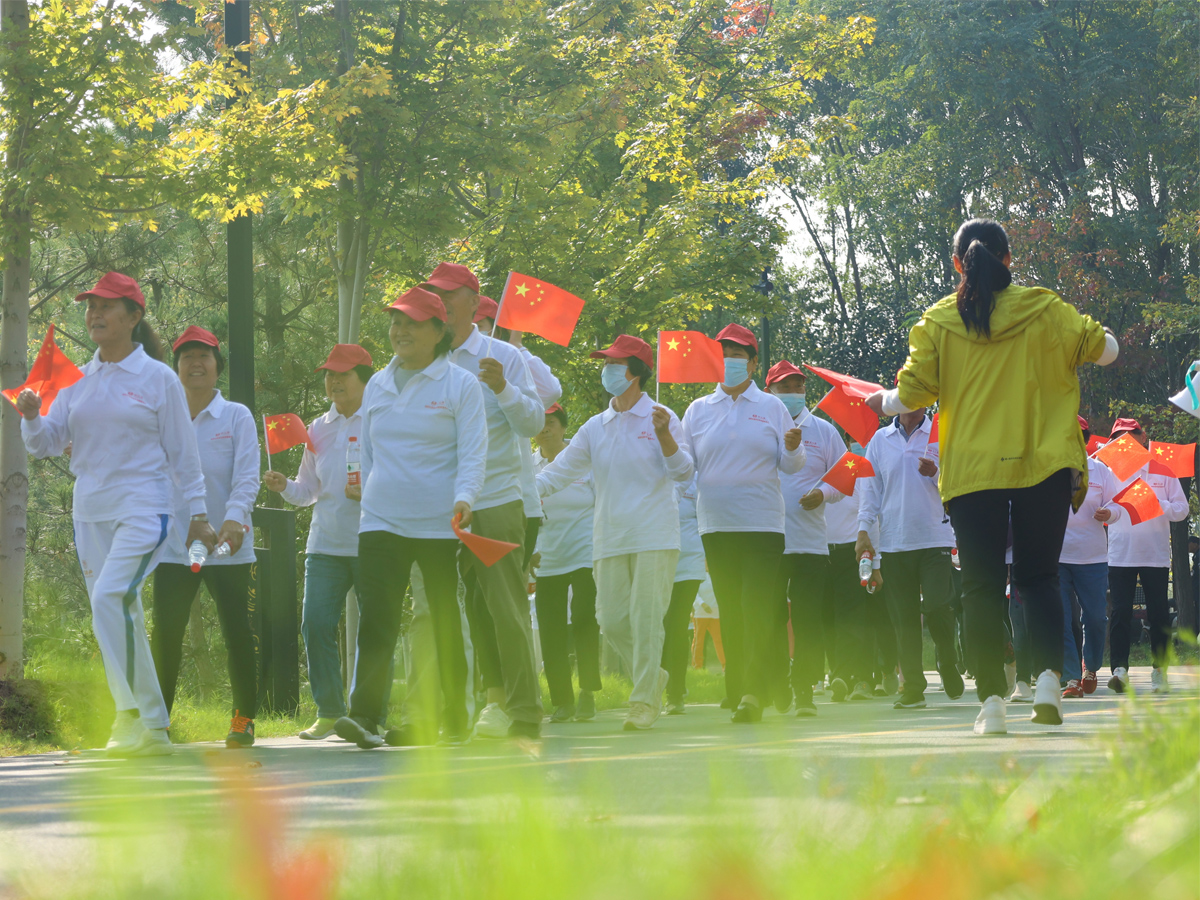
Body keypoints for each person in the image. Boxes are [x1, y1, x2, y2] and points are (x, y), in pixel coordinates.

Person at [867, 218, 1119, 735]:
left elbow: (911, 394)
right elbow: (1107, 351)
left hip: (973, 472)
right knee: (1040, 578)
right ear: (1010, 260)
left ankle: (992, 706)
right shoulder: (1047, 309)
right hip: (1043, 465)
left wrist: (881, 401)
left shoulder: (939, 321)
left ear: (959, 264)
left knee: (981, 587)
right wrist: (1098, 335)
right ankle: (1049, 685)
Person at [18, 272, 216, 758]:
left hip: (145, 509)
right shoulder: (76, 381)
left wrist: (199, 514)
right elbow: (47, 445)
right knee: (116, 611)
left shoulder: (158, 379)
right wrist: (30, 416)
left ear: (134, 316)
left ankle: (126, 716)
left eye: (107, 307)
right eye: (91, 307)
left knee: (110, 598)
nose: (95, 314)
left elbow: (183, 452)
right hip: (90, 512)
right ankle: (155, 727)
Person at [333, 287, 488, 749]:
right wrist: (375, 488)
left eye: (412, 323)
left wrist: (465, 497)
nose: (400, 331)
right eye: (396, 322)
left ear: (439, 332)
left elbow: (473, 452)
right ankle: (364, 717)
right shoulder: (378, 383)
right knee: (378, 619)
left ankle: (454, 719)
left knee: (442, 618)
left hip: (439, 523)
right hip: (380, 519)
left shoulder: (461, 385)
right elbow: (374, 451)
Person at [536, 335, 693, 730]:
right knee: (611, 620)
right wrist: (523, 491)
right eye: (605, 362)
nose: (607, 370)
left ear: (636, 371)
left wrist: (665, 438)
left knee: (645, 619)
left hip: (654, 534)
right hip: (609, 537)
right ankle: (654, 675)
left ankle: (642, 701)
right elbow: (559, 471)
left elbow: (685, 474)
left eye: (615, 363)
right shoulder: (595, 427)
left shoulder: (662, 417)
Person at [423, 262, 546, 740]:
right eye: (434, 293)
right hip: (437, 505)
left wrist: (502, 387)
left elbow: (534, 424)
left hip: (494, 499)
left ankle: (525, 712)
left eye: (449, 294)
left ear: (474, 302)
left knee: (506, 607)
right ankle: (480, 704)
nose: (441, 302)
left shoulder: (501, 357)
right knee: (461, 607)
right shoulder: (426, 360)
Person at [680, 324, 806, 723]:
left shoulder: (771, 407)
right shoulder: (698, 410)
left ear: (754, 363)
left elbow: (791, 465)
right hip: (716, 525)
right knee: (731, 611)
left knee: (755, 609)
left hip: (762, 525)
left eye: (738, 355)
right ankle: (745, 686)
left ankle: (753, 692)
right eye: (724, 355)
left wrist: (793, 447)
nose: (730, 362)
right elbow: (685, 468)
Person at [262, 343, 388, 740]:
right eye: (329, 374)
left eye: (343, 374)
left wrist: (371, 492)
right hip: (326, 545)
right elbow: (309, 491)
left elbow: (403, 476)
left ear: (364, 378)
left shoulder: (383, 420)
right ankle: (331, 711)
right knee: (315, 624)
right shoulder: (318, 428)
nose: (334, 381)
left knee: (376, 631)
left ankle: (370, 716)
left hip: (374, 541)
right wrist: (286, 487)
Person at [151, 327, 260, 748]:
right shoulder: (163, 417)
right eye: (186, 357)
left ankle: (243, 719)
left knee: (237, 632)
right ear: (176, 367)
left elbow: (247, 477)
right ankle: (158, 723)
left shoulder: (236, 416)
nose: (195, 364)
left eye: (205, 357)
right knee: (166, 635)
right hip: (175, 547)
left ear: (218, 366)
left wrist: (233, 521)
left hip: (228, 547)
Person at [766, 360, 861, 714]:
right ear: (769, 392)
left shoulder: (823, 431)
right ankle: (777, 682)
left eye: (797, 388)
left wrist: (822, 493)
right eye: (784, 388)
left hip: (810, 542)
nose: (792, 394)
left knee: (808, 619)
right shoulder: (761, 427)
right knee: (771, 617)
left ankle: (803, 687)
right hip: (769, 541)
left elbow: (843, 478)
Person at [856, 404, 964, 710]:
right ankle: (913, 687)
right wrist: (864, 531)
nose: (909, 402)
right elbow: (870, 491)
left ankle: (947, 659)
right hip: (894, 542)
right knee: (903, 618)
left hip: (934, 539)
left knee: (937, 604)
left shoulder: (941, 434)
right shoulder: (880, 439)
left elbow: (960, 484)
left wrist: (936, 473)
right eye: (903, 394)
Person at [1104, 418, 1190, 694]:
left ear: (1142, 437)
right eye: (1118, 438)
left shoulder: (1162, 469)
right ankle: (1119, 670)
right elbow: (1112, 508)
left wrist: (1157, 503)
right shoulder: (1111, 472)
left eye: (1130, 436)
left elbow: (1182, 509)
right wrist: (1108, 513)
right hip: (1121, 554)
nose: (1124, 442)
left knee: (1159, 613)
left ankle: (1160, 670)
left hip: (1154, 554)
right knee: (1119, 612)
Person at [531, 403, 602, 723]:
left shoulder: (582, 460)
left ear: (562, 426)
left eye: (552, 422)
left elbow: (601, 502)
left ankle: (588, 693)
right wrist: (527, 549)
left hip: (585, 551)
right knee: (551, 629)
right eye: (540, 423)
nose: (546, 428)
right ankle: (562, 700)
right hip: (547, 556)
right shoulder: (528, 465)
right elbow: (526, 511)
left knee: (586, 619)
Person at [1058, 417, 1120, 699]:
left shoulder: (1101, 471)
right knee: (1061, 617)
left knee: (1095, 617)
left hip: (1093, 558)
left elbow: (1117, 503)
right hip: (1056, 556)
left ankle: (1090, 667)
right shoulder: (1049, 469)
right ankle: (1070, 678)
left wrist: (1110, 513)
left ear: (1085, 439)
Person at [823, 457, 890, 696]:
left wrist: (875, 562)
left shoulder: (862, 471)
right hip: (819, 552)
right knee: (827, 618)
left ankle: (856, 677)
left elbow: (871, 519)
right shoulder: (816, 472)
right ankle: (838, 674)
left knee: (852, 617)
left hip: (853, 553)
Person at [661, 474, 705, 715]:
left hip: (689, 563)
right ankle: (654, 687)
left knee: (676, 626)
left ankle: (675, 693)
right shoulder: (649, 474)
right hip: (656, 562)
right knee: (657, 626)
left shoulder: (695, 479)